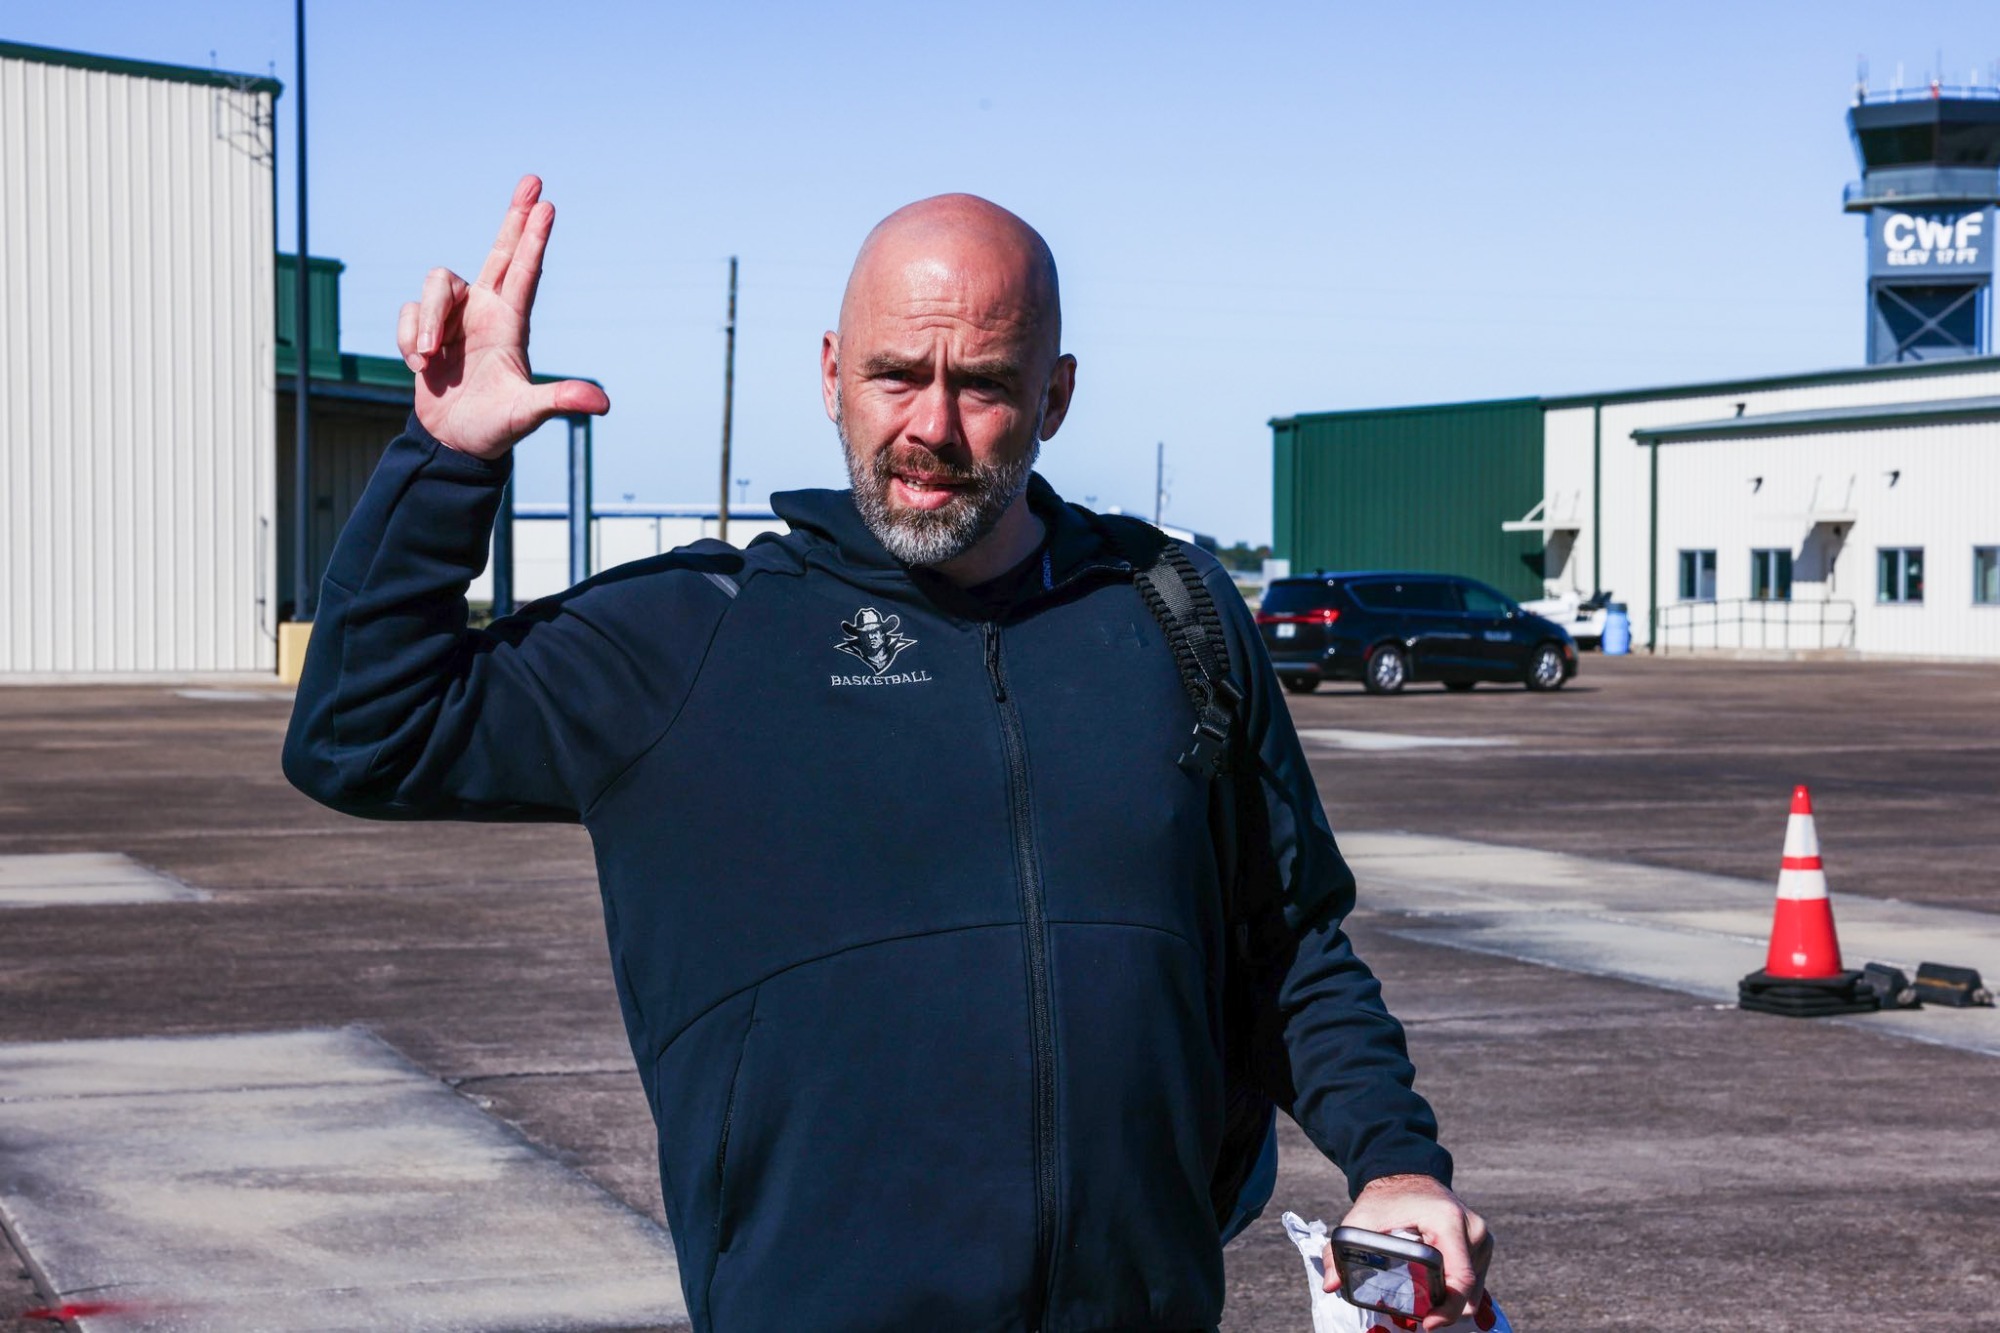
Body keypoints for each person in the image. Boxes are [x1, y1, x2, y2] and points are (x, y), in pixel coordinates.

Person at [284, 176, 1490, 1332]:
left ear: (1055, 395)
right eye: (895, 374)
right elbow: (359, 733)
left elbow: (1286, 940)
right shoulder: (692, 637)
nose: (931, 424)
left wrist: (1392, 1162)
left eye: (982, 384)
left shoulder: (1169, 614)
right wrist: (447, 462)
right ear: (828, 375)